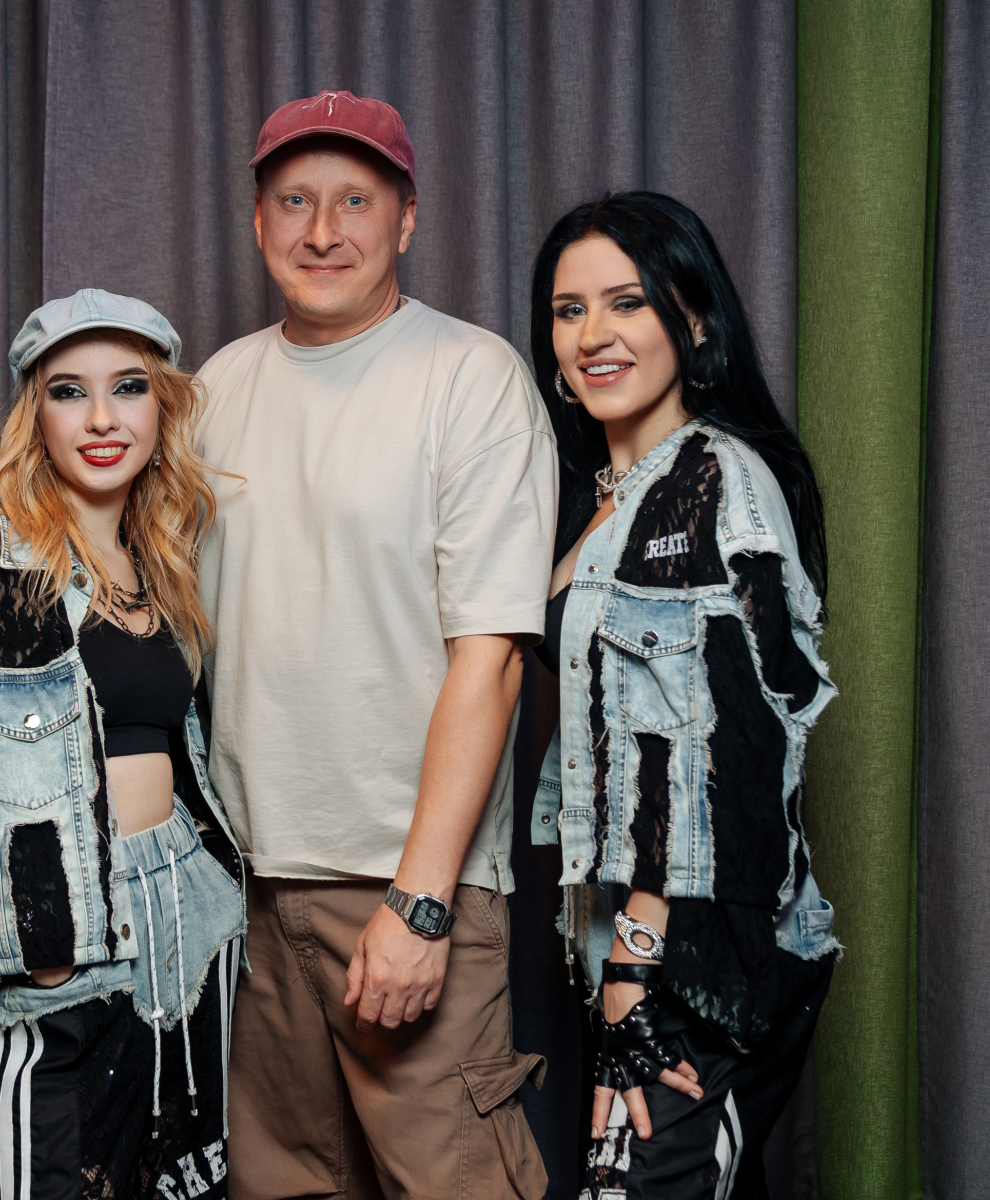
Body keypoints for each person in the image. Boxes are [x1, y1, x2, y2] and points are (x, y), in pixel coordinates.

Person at [194, 91, 556, 1198]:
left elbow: (493, 658)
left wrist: (422, 902)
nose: (322, 230)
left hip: (401, 886)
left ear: (406, 220)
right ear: (257, 221)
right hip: (248, 891)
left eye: (355, 201)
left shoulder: (469, 375)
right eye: (293, 201)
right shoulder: (211, 389)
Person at [0, 289, 245, 1200]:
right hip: (62, 944)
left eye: (129, 387)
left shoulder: (165, 562)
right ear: (34, 418)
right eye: (69, 392)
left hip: (187, 919)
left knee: (183, 1182)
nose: (103, 418)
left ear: (162, 407)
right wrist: (36, 949)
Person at [526, 191, 840, 1196]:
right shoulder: (598, 497)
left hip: (696, 960)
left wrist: (635, 966)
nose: (593, 334)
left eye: (627, 302)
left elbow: (721, 753)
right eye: (569, 310)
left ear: (693, 321)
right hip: (624, 950)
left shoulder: (716, 485)